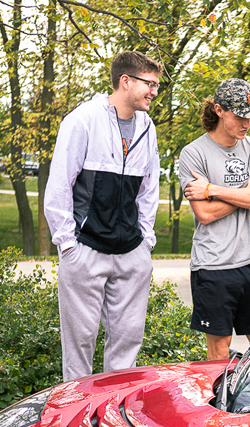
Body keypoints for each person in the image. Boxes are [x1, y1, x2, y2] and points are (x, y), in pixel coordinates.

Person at [45, 51, 162, 381]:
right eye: (149, 84)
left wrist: (145, 243)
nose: (154, 91)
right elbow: (58, 188)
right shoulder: (82, 121)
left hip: (131, 255)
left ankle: (111, 420)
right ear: (126, 82)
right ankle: (74, 423)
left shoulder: (147, 127)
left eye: (156, 84)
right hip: (86, 251)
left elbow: (149, 188)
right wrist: (68, 245)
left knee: (127, 344)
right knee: (79, 346)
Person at [178, 78, 250, 361]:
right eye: (239, 115)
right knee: (219, 354)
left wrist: (211, 189)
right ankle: (225, 405)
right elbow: (205, 214)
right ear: (220, 110)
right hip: (213, 265)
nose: (246, 123)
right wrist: (245, 191)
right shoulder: (193, 154)